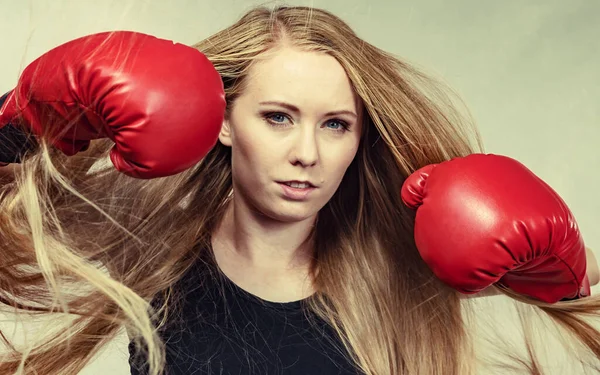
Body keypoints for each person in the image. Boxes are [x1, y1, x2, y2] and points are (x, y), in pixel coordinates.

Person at [1, 5, 599, 375]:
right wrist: (29, 117)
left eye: (335, 125)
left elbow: (586, 281)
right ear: (223, 120)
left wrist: (556, 259)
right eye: (279, 117)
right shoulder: (150, 244)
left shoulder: (393, 265)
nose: (307, 153)